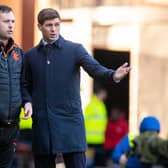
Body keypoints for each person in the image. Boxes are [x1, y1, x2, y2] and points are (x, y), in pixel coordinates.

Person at [22, 8, 131, 168]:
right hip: (43, 124)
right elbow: (25, 85)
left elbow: (95, 69)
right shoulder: (30, 56)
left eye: (57, 25)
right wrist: (27, 101)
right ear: (39, 27)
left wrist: (113, 75)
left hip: (70, 124)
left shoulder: (74, 50)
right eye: (49, 25)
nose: (54, 29)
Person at [0, 5, 32, 168]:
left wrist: (27, 102)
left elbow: (23, 83)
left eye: (13, 21)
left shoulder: (18, 54)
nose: (11, 25)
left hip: (11, 127)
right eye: (6, 21)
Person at [84, 83, 108, 167]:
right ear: (100, 93)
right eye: (104, 93)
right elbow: (84, 121)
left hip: (99, 139)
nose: (105, 95)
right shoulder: (91, 105)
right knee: (89, 162)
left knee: (98, 162)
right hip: (90, 139)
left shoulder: (101, 105)